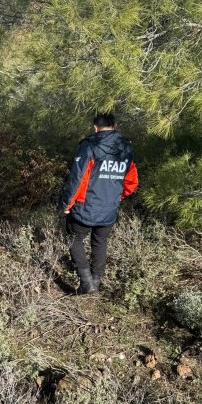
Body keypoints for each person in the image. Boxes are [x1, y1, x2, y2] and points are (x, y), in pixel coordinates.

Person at [60, 112, 138, 294]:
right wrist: (119, 196)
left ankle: (87, 282)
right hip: (109, 209)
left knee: (73, 239)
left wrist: (67, 204)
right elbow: (132, 180)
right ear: (115, 126)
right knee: (100, 241)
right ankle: (96, 281)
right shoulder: (126, 148)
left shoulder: (89, 146)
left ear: (95, 127)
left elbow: (78, 179)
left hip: (85, 207)